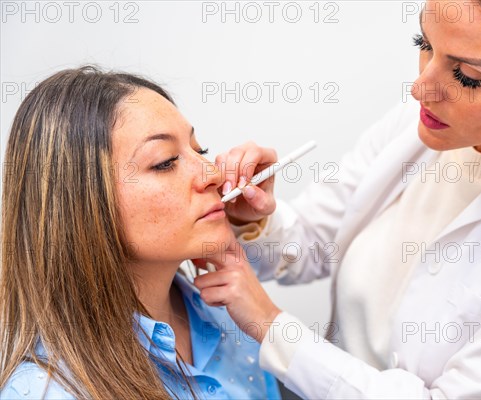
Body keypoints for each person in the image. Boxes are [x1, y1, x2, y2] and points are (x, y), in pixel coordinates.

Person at [194, 0, 481, 398]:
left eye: (467, 75)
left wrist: (270, 325)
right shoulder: (418, 125)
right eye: (423, 44)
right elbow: (314, 244)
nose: (420, 88)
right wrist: (256, 219)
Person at [0, 67, 281, 399]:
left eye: (199, 150)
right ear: (83, 203)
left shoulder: (235, 312)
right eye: (165, 162)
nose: (212, 172)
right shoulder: (47, 390)